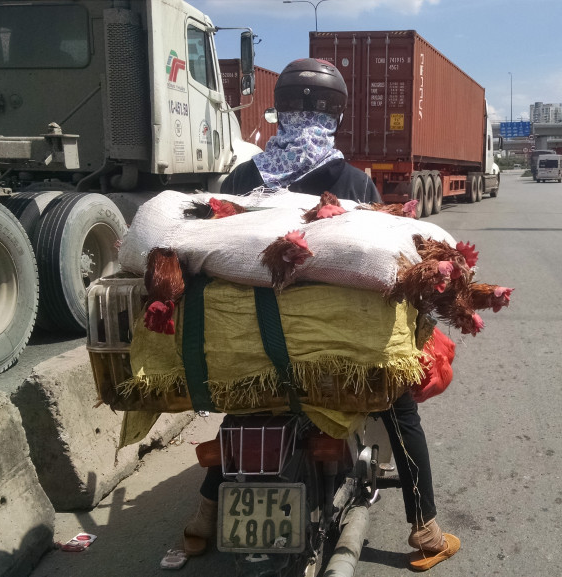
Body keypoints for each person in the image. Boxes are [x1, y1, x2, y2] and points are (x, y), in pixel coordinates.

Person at [182, 58, 459, 571]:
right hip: (339, 355)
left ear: (279, 109)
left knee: (248, 397)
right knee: (399, 407)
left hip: (257, 342)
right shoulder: (352, 179)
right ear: (335, 114)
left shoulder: (244, 176)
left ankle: (202, 517)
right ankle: (425, 530)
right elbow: (389, 264)